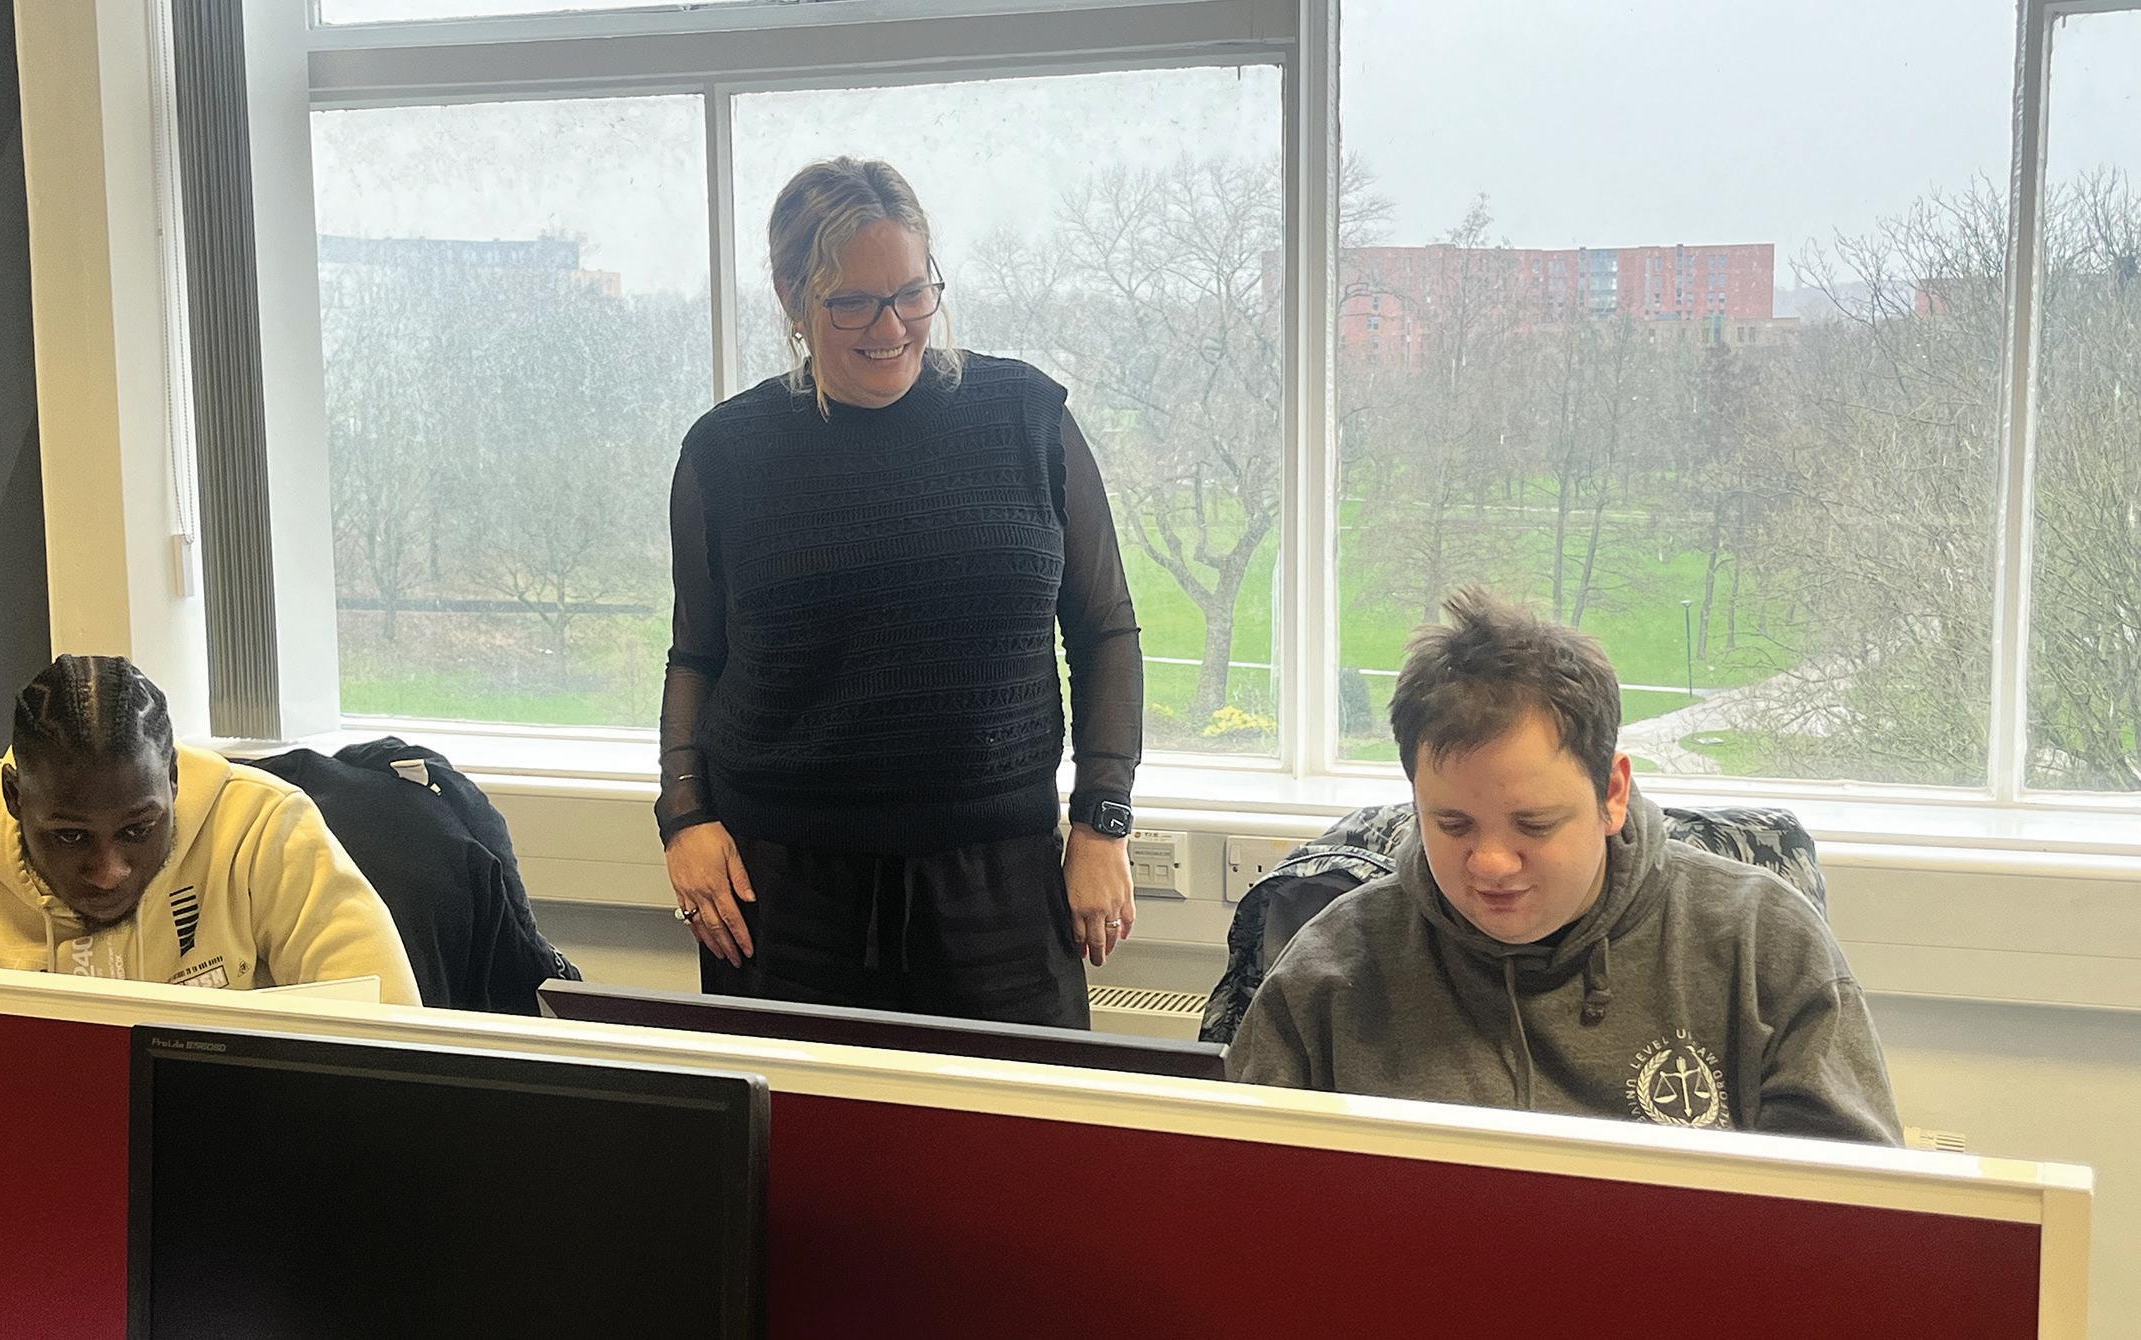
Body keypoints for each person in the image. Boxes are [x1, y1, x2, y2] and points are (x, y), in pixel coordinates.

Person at [656, 157, 1143, 1028]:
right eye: (853, 303)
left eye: (914, 294)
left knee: (1013, 1115)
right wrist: (684, 817)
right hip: (781, 889)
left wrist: (1102, 821)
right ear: (791, 297)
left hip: (1000, 878)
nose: (892, 327)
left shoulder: (1027, 418)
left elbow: (1104, 629)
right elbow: (698, 653)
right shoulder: (725, 452)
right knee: (803, 1118)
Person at [1227, 589, 1900, 1143]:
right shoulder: (1331, 970)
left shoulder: (1765, 944)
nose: (1492, 864)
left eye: (1535, 824)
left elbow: (1855, 1218)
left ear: (1612, 793)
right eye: (1452, 824)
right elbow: (1245, 1205)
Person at [0, 655, 421, 1006]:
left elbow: (393, 1036)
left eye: (138, 830)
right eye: (70, 836)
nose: (109, 870)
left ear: (173, 782)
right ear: (15, 799)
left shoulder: (263, 834)